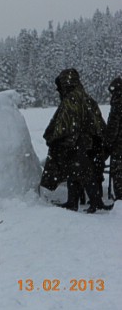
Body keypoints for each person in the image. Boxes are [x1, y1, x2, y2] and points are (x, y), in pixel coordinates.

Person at [41, 68, 111, 213]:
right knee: (76, 172)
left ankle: (94, 202)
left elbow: (64, 124)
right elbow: (97, 122)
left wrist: (54, 137)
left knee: (82, 172)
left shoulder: (72, 99)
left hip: (77, 143)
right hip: (89, 144)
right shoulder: (86, 97)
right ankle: (75, 201)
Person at [104, 76, 122, 200]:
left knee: (118, 172)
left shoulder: (118, 103)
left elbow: (113, 127)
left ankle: (120, 198)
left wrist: (108, 143)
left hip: (119, 145)